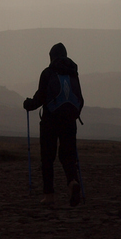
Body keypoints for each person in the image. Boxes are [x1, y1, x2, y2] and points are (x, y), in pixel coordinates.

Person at [23, 42, 84, 208]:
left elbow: (40, 98)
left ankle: (49, 196)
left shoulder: (48, 73)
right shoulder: (73, 73)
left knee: (48, 158)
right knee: (68, 156)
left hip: (50, 121)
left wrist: (28, 104)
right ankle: (72, 182)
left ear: (51, 57)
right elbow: (81, 99)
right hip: (70, 121)